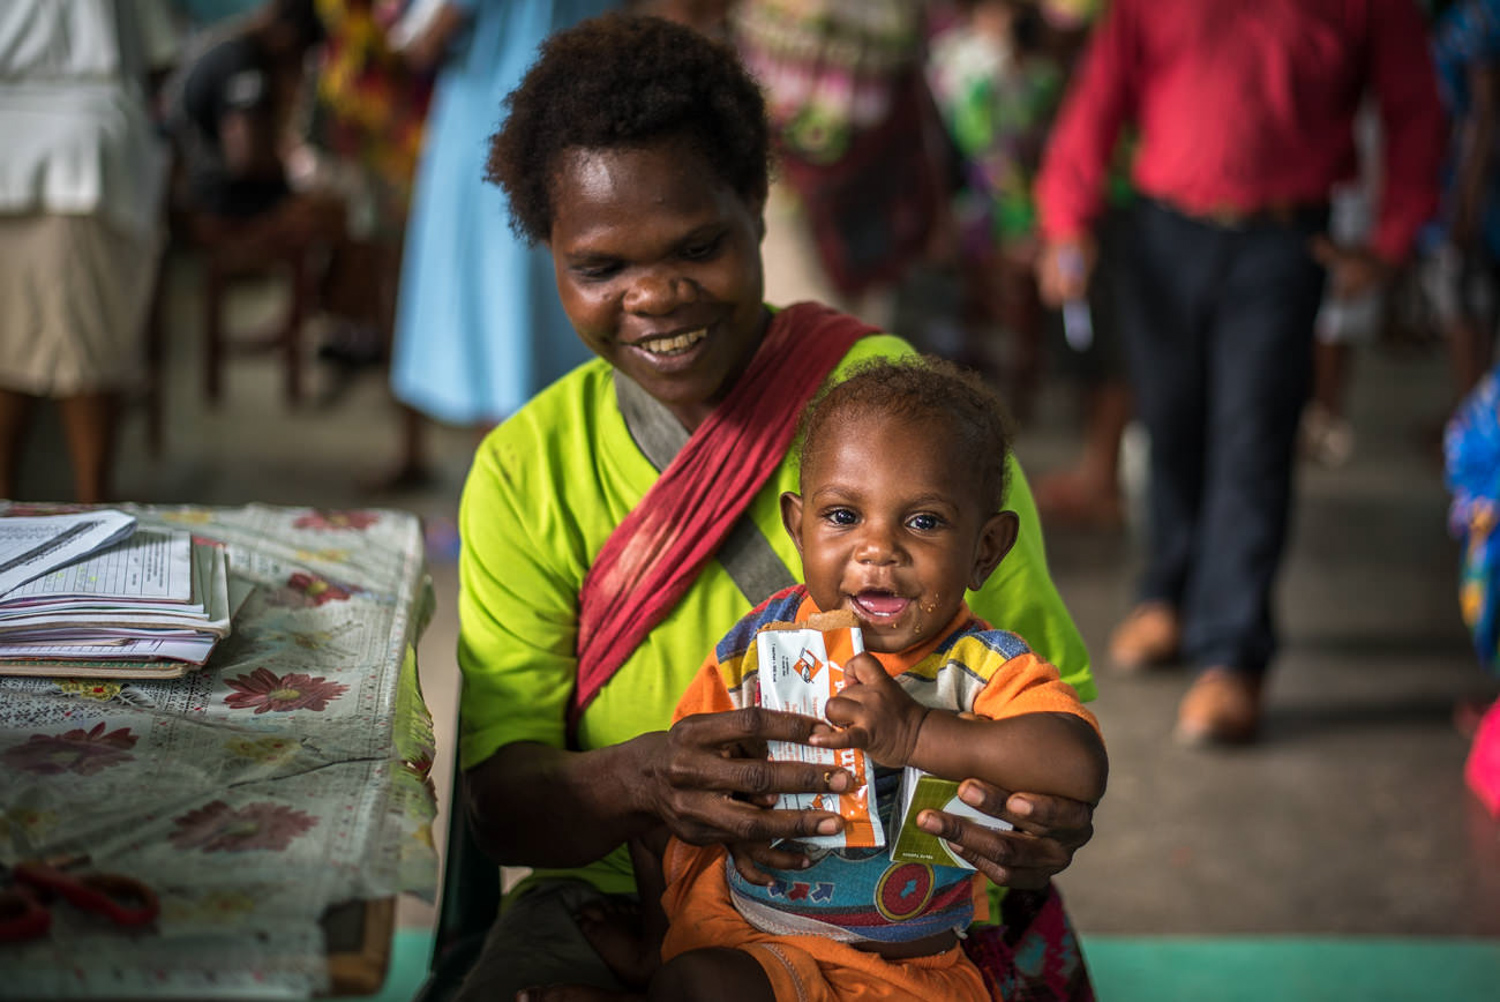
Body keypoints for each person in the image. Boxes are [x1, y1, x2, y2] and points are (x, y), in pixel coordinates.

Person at [454, 13, 1099, 1002]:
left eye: (698, 245)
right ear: (549, 255)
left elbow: (1051, 718)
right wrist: (641, 782)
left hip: (910, 914)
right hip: (620, 894)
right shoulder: (528, 470)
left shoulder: (908, 420)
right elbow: (499, 805)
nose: (657, 296)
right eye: (601, 267)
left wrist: (1033, 816)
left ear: (759, 204)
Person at [550, 356, 1108, 1001]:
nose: (878, 549)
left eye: (924, 521)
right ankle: (659, 948)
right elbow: (693, 761)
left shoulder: (979, 667)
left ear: (986, 549)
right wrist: (734, 811)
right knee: (659, 839)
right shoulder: (762, 642)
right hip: (747, 936)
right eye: (843, 516)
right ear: (798, 525)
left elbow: (1076, 765)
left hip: (896, 973)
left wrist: (918, 733)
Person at [1034, 0, 1446, 745]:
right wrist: (1066, 218)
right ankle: (1169, 593)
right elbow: (1099, 98)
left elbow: (1416, 109)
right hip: (1164, 234)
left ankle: (1232, 656)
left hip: (1281, 245)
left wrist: (1391, 241)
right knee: (1169, 422)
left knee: (1253, 441)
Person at [386, 0, 617, 448]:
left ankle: (513, 491)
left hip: (495, 127)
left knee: (499, 324)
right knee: (564, 303)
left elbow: (423, 41)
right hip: (591, 116)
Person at [0, 0, 180, 502]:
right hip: (83, 156)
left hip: (23, 145)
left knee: (13, 347)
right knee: (86, 356)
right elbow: (158, 55)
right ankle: (91, 513)